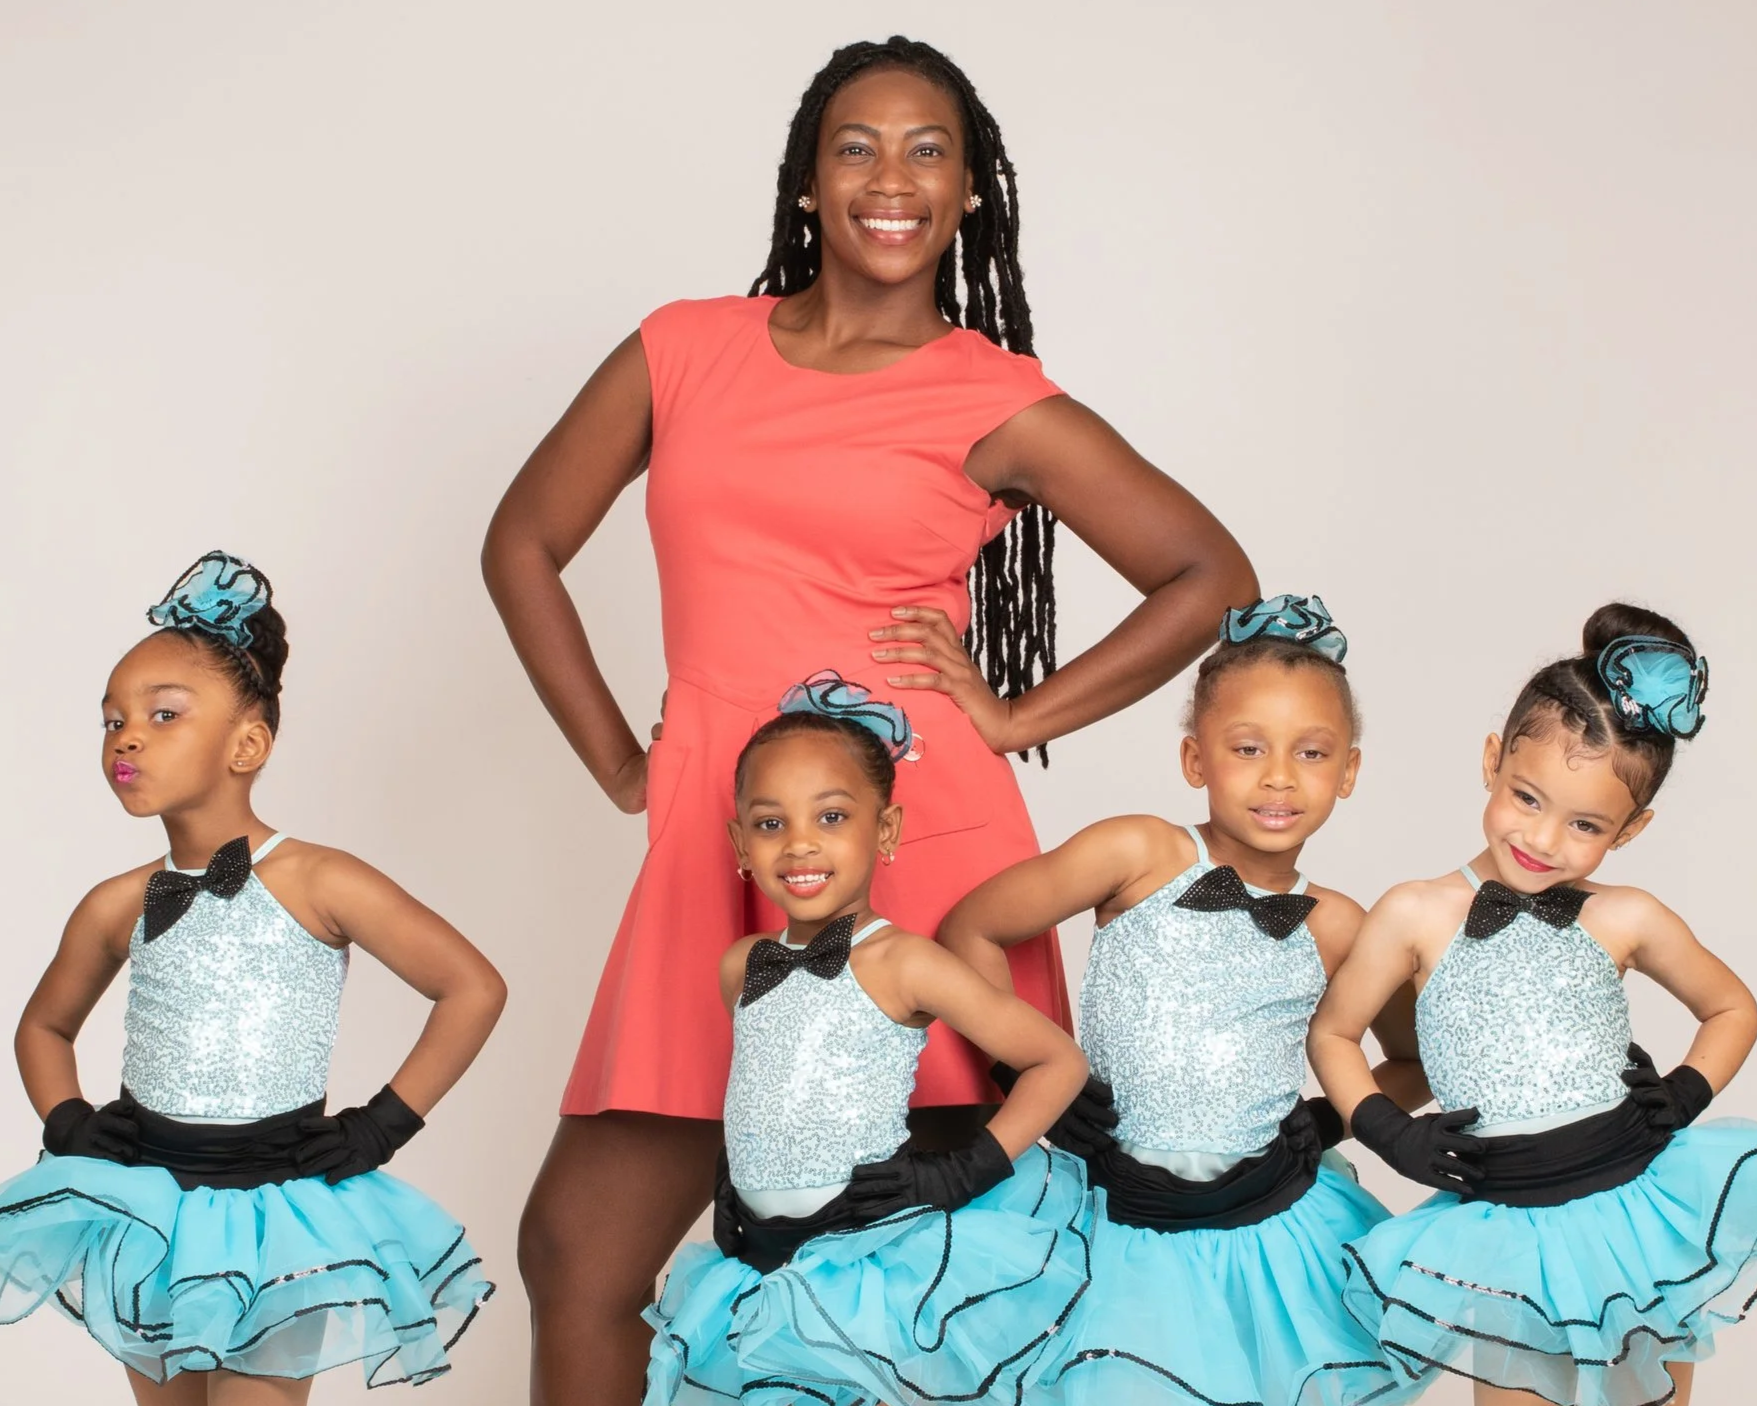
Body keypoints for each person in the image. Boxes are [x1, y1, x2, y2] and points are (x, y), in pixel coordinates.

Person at [482, 33, 1257, 1401]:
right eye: (857, 146)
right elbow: (523, 540)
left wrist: (1018, 717)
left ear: (967, 194)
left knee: (932, 1275)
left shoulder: (991, 392)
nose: (890, 178)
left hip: (928, 846)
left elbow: (1211, 576)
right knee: (578, 1252)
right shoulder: (684, 348)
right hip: (723, 850)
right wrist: (624, 760)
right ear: (805, 185)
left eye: (927, 152)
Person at [1, 553, 505, 1405]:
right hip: (150, 1207)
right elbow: (41, 1028)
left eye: (163, 715)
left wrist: (379, 1127)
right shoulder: (114, 903)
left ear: (248, 742)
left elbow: (471, 987)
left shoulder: (318, 879)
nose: (126, 736)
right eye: (113, 720)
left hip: (276, 1211)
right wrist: (71, 1121)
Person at [942, 595, 1425, 1405]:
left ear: (1348, 770)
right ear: (1194, 760)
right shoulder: (1137, 851)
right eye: (1246, 748)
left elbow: (1409, 1060)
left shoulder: (1341, 923)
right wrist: (1023, 1071)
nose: (1278, 776)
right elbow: (970, 930)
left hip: (1272, 1229)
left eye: (1310, 753)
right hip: (1111, 1223)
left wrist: (1329, 1119)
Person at [1309, 603, 1756, 1406]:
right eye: (1526, 798)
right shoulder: (1413, 913)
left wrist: (1686, 1091)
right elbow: (1335, 1033)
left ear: (1629, 830)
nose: (1543, 839)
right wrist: (1387, 1131)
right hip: (1506, 1228)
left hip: (1632, 1212)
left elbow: (1732, 1008)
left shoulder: (1625, 916)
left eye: (1583, 824)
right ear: (1491, 760)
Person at [643, 674, 1091, 1404]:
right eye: (769, 824)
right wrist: (735, 1179)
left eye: (830, 817)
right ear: (739, 843)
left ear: (885, 831)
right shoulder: (742, 966)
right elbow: (770, 1086)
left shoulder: (902, 960)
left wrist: (968, 1169)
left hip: (870, 1263)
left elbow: (1056, 1060)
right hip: (759, 1265)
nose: (798, 846)